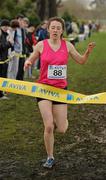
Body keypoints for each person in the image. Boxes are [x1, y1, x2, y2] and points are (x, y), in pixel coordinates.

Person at [24, 17, 95, 169]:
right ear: (48, 29)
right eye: (53, 27)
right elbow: (31, 58)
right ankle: (50, 157)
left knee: (61, 129)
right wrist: (28, 62)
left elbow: (81, 61)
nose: (55, 30)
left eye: (58, 28)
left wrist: (87, 52)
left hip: (60, 91)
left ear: (62, 30)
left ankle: (58, 121)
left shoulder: (67, 45)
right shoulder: (41, 45)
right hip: (43, 89)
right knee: (49, 126)